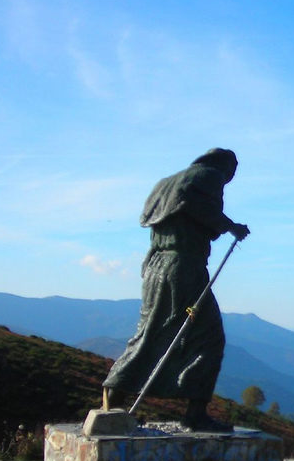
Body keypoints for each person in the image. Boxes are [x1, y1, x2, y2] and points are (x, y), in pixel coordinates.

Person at [102, 148, 250, 433]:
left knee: (150, 332)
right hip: (183, 265)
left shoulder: (165, 182)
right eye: (232, 172)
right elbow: (199, 208)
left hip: (154, 266)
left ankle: (115, 396)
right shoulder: (209, 175)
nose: (229, 179)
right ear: (225, 166)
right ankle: (195, 414)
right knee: (208, 337)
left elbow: (180, 210)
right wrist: (230, 226)